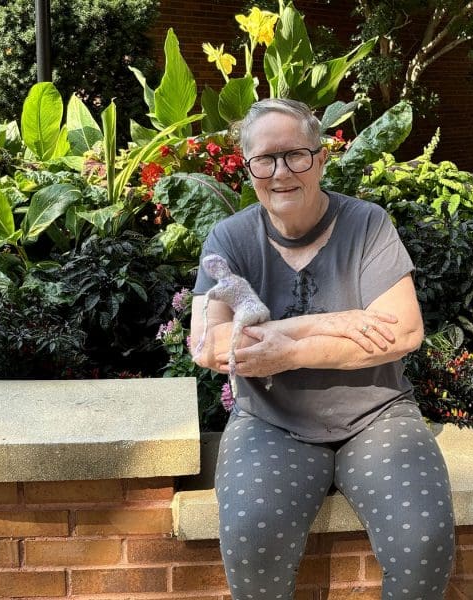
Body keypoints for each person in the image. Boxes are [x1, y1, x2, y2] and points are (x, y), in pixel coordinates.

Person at [190, 98, 455, 599]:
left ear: (321, 158)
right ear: (249, 170)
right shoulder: (229, 237)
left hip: (377, 414)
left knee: (424, 541)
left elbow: (402, 333)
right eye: (264, 159)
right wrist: (339, 323)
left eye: (296, 155)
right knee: (251, 536)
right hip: (271, 419)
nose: (280, 171)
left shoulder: (367, 225)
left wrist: (286, 349)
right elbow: (208, 341)